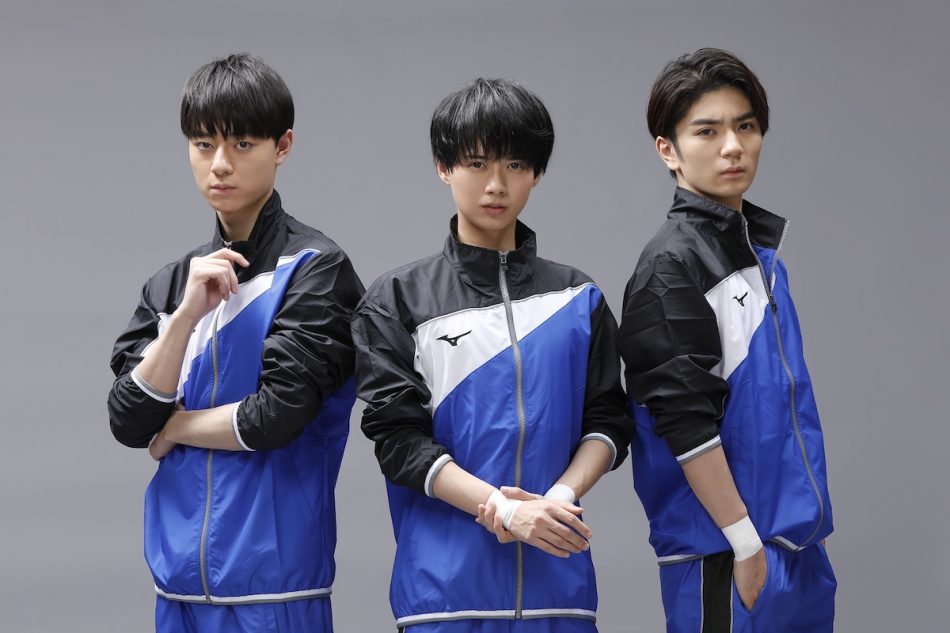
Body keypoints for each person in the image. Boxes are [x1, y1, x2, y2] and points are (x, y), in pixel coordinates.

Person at [352, 78, 634, 632]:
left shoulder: (578, 299)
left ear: (537, 172)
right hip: (444, 601)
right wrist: (505, 510)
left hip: (561, 594)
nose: (496, 184)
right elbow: (398, 442)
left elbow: (609, 420)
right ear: (444, 167)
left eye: (515, 165)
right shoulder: (397, 300)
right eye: (477, 164)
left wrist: (558, 499)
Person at [107, 53, 363, 632]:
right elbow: (128, 419)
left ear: (283, 145)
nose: (220, 164)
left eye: (242, 144)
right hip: (176, 589)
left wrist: (174, 427)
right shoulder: (171, 285)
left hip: (277, 590)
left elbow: (274, 417)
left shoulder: (315, 270)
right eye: (204, 145)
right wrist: (184, 317)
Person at [618, 48, 837, 632]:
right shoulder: (670, 266)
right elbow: (683, 420)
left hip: (796, 547)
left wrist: (799, 537)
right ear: (667, 149)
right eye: (707, 131)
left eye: (746, 126)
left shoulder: (759, 257)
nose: (733, 146)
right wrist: (743, 541)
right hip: (726, 554)